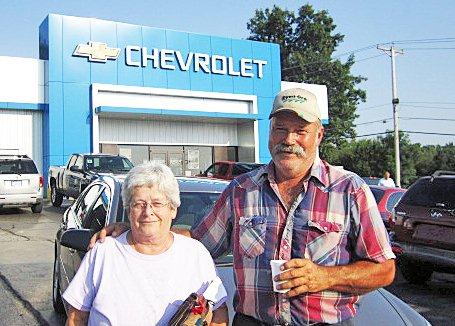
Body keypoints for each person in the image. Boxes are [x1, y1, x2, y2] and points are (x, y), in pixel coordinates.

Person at [91, 88, 395, 325]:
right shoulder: (241, 190)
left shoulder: (349, 189)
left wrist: (324, 277)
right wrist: (140, 230)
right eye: (280, 129)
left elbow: (384, 270)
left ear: (319, 135)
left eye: (300, 131)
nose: (289, 140)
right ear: (270, 132)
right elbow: (197, 243)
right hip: (253, 322)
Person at [65, 162, 228, 326]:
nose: (148, 212)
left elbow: (219, 313)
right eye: (139, 204)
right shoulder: (104, 252)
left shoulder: (196, 254)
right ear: (128, 211)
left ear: (173, 209)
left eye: (157, 203)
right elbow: (76, 318)